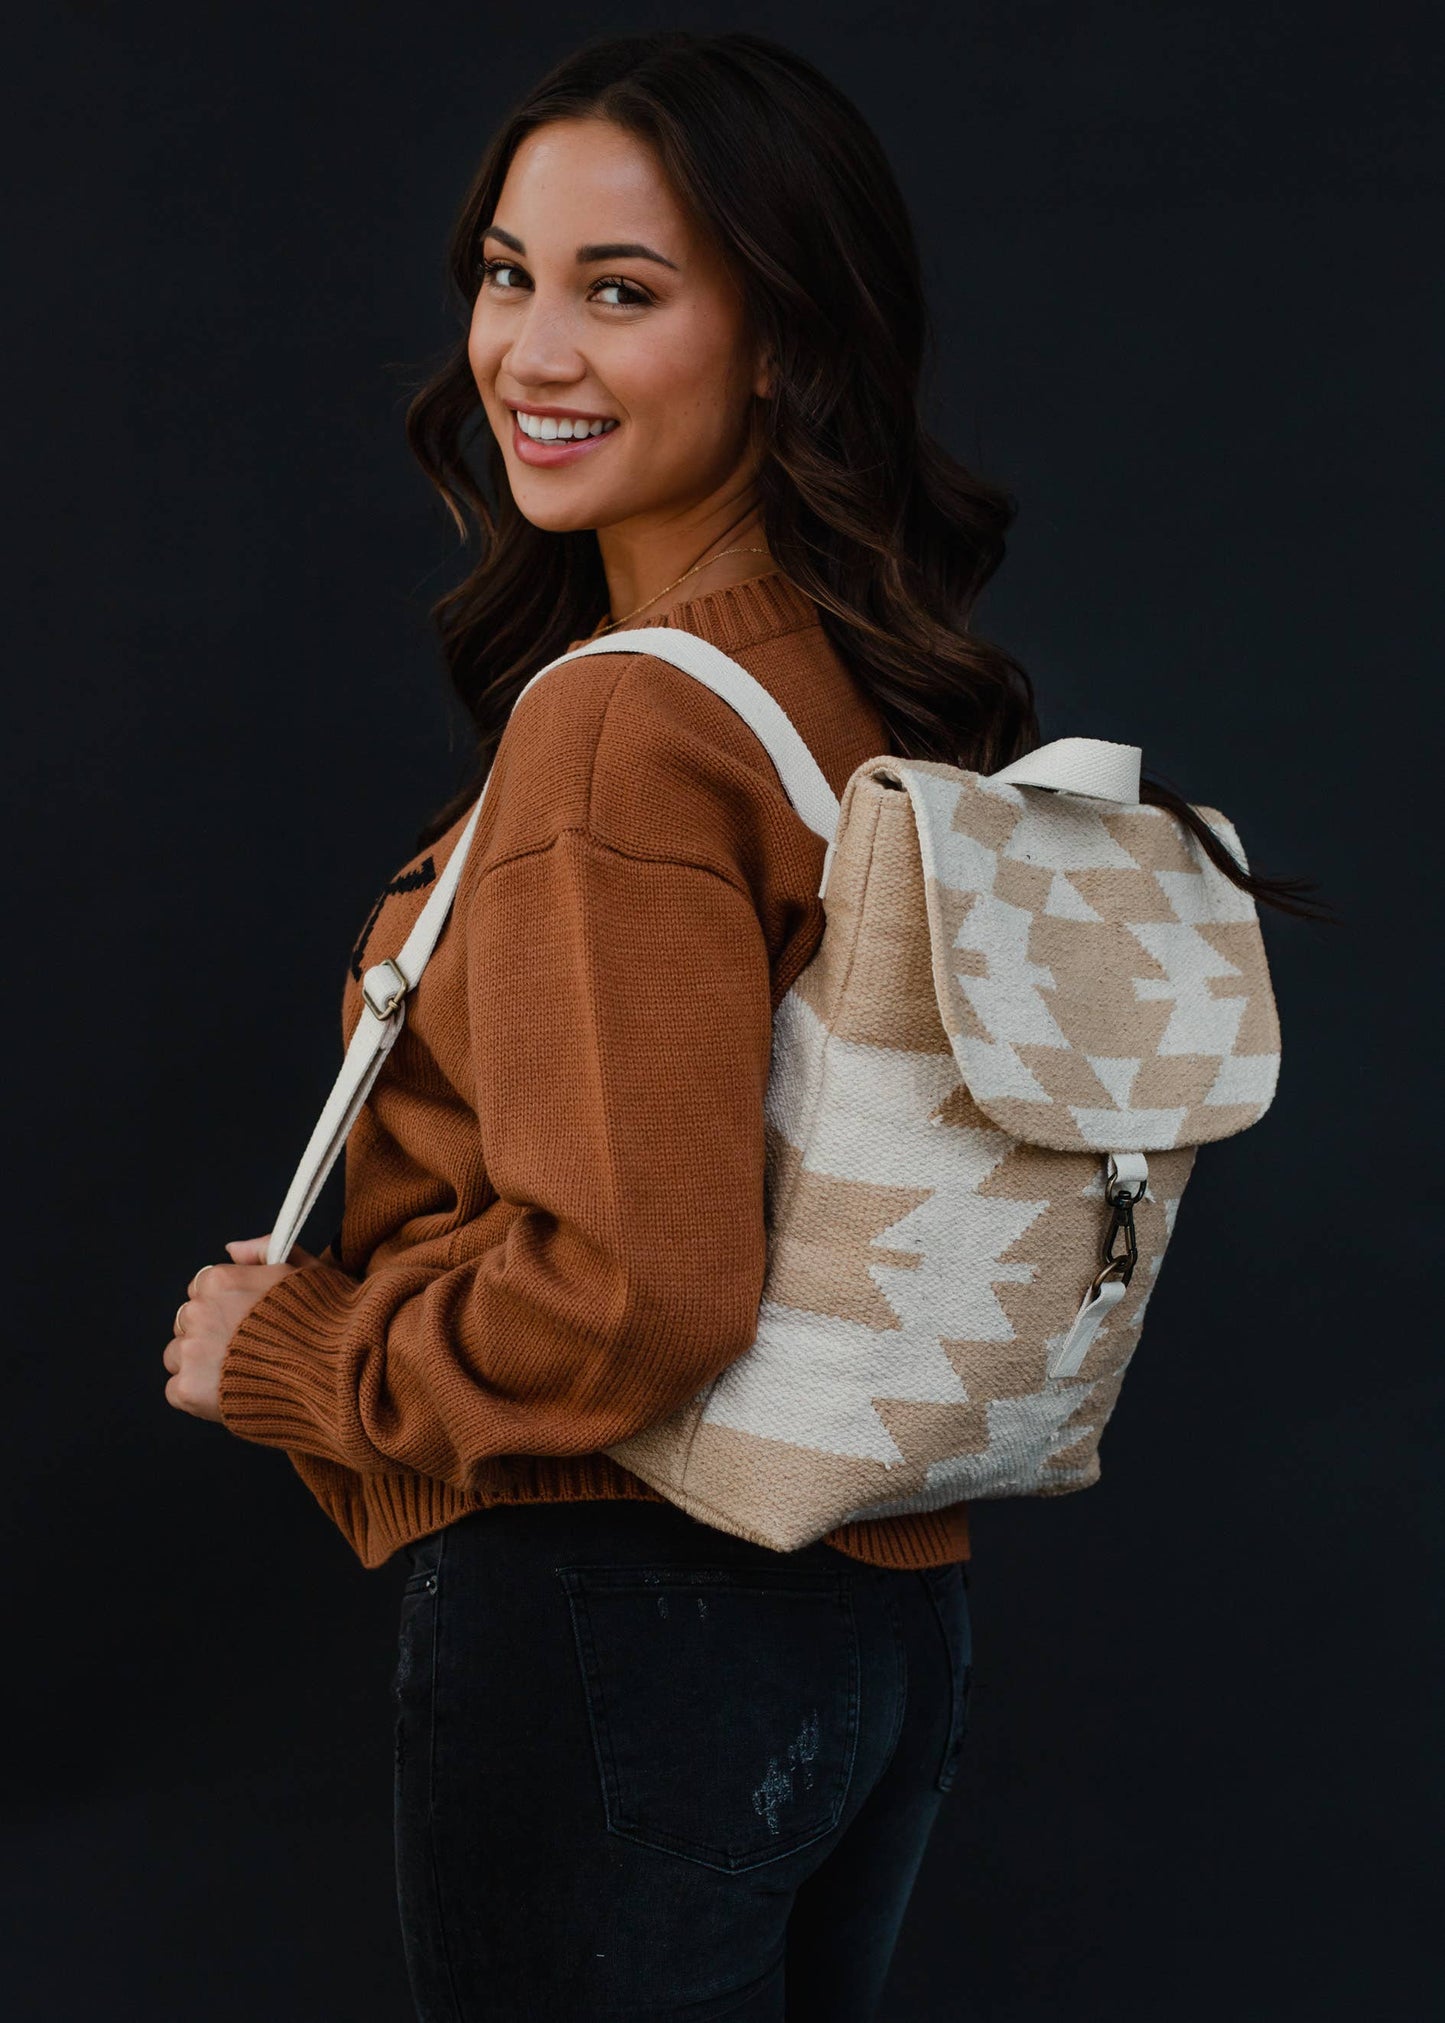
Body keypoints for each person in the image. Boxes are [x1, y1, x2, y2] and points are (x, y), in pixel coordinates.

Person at [160, 29, 1300, 2022]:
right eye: (510, 275)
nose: (531, 349)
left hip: (621, 1617)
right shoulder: (880, 699)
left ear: (781, 338)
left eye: (624, 291)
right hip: (880, 1624)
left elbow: (644, 1297)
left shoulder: (621, 722)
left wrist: (308, 1355)